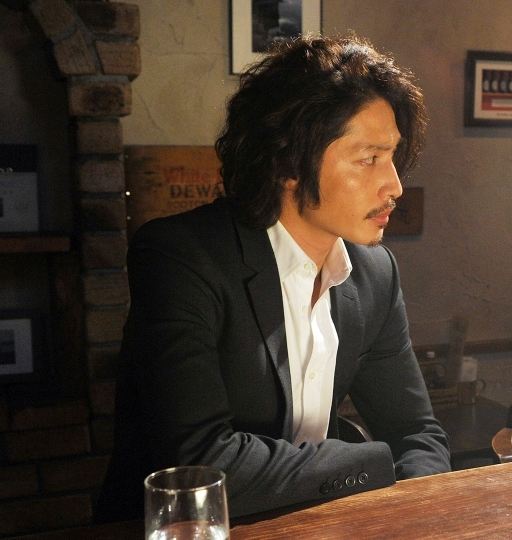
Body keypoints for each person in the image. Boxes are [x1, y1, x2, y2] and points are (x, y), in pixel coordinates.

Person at [96, 35, 450, 521]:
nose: (394, 185)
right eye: (369, 158)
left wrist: (408, 503)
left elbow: (417, 435)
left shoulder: (374, 273)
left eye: (392, 157)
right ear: (288, 162)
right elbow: (200, 463)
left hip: (314, 526)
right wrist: (373, 463)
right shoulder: (181, 256)